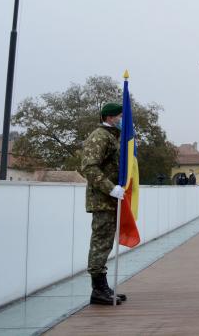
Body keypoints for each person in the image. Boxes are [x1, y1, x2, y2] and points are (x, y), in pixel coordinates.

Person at [79, 102, 127, 305]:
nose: (121, 120)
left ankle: (102, 287)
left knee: (105, 242)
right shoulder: (99, 136)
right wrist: (111, 188)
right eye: (119, 116)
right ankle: (98, 290)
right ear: (110, 118)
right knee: (100, 243)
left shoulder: (111, 136)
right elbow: (89, 167)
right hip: (102, 199)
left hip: (110, 200)